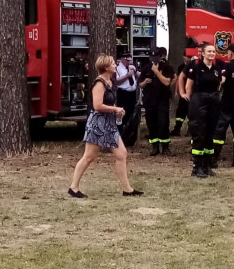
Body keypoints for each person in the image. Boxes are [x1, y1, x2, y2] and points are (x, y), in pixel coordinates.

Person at [68, 54, 143, 198]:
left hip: (109, 123)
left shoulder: (110, 82)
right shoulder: (99, 83)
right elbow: (97, 106)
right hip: (97, 124)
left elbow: (109, 102)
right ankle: (74, 187)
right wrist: (115, 109)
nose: (116, 65)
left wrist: (117, 111)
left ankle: (127, 189)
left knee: (122, 154)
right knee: (89, 157)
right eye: (113, 64)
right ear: (106, 67)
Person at [183, 43, 223, 178]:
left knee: (209, 134)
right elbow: (189, 86)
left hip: (213, 101)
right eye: (209, 51)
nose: (212, 53)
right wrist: (189, 98)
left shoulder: (217, 69)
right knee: (199, 134)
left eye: (213, 51)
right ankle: (197, 167)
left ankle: (207, 166)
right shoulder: (196, 68)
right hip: (199, 101)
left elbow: (218, 86)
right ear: (203, 54)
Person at [139, 47, 175, 155]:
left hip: (162, 99)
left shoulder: (167, 67)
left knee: (163, 122)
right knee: (151, 123)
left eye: (156, 57)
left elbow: (167, 82)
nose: (154, 59)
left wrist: (157, 72)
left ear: (160, 57)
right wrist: (145, 82)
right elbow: (140, 84)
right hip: (149, 99)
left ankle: (165, 147)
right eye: (152, 57)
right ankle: (155, 147)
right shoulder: (146, 67)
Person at [114, 55, 139, 126]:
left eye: (130, 60)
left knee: (131, 112)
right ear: (122, 59)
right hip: (123, 93)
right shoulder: (118, 68)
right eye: (127, 60)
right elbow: (116, 81)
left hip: (132, 93)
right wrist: (127, 76)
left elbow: (138, 77)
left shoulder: (132, 67)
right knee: (122, 112)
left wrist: (136, 72)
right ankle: (121, 128)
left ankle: (130, 129)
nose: (129, 62)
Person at [171, 55, 191, 136]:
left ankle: (190, 130)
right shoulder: (181, 67)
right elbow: (179, 79)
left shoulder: (194, 66)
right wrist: (177, 91)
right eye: (187, 56)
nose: (189, 58)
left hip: (191, 93)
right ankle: (177, 129)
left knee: (191, 112)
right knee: (180, 111)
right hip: (183, 93)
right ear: (183, 57)